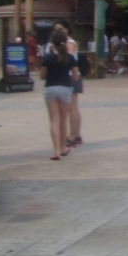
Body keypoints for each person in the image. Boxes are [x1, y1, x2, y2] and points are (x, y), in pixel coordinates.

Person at [41, 28, 79, 160]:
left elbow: (42, 76)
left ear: (52, 42)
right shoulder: (70, 58)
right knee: (63, 119)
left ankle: (56, 150)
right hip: (65, 89)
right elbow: (75, 76)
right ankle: (63, 147)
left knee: (54, 120)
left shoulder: (48, 58)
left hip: (50, 88)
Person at [55, 20, 84, 147]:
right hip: (67, 77)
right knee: (72, 107)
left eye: (61, 29)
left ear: (67, 29)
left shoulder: (69, 43)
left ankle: (73, 136)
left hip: (72, 77)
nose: (59, 32)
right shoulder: (61, 43)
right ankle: (76, 135)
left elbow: (70, 57)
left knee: (72, 107)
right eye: (56, 29)